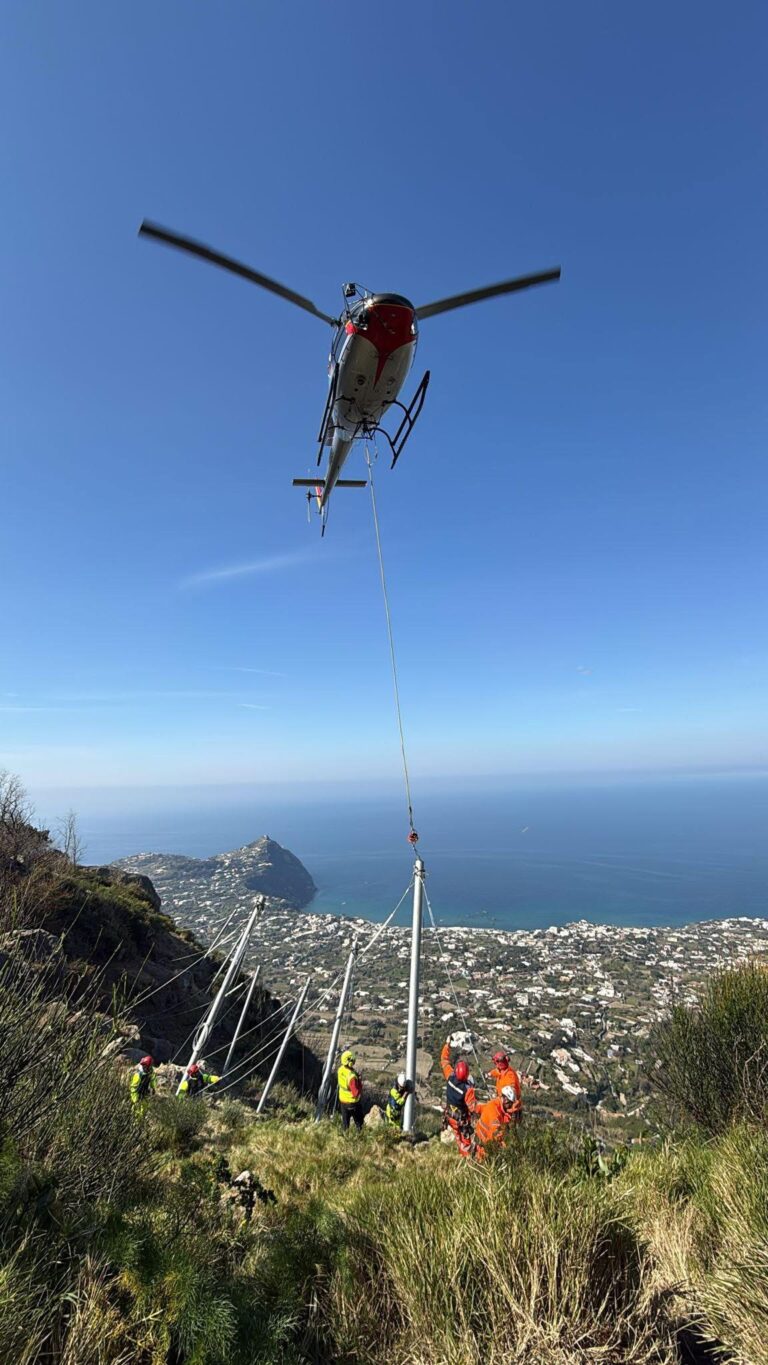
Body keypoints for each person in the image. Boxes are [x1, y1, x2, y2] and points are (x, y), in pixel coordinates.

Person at [440, 1038, 478, 1157]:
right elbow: (473, 1108)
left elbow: (444, 1060)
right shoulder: (467, 1091)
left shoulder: (450, 1077)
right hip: (461, 1121)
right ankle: (467, 1158)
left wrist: (447, 1045)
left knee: (457, 1138)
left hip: (450, 1117)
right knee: (465, 1141)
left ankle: (460, 1154)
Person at [474, 1085, 519, 1160]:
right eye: (510, 1103)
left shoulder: (497, 1105)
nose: (511, 1106)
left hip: (485, 1140)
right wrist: (504, 1146)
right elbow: (495, 1132)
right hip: (484, 1141)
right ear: (505, 1100)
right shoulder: (494, 1110)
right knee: (482, 1163)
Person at [487, 1050, 523, 1118]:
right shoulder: (503, 1070)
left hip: (510, 1107)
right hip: (504, 1103)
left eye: (496, 1063)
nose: (496, 1065)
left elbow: (512, 1089)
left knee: (507, 1125)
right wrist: (490, 1074)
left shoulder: (510, 1075)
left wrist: (501, 1099)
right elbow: (497, 1071)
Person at [337, 1048, 363, 1132]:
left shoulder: (340, 1070)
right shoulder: (352, 1077)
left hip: (343, 1101)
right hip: (352, 1103)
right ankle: (359, 1137)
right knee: (359, 1122)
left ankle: (345, 1138)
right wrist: (359, 1082)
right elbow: (355, 1093)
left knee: (345, 1123)